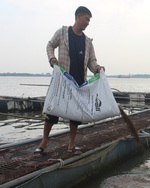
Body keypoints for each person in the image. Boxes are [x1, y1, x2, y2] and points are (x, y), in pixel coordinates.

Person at [34, 6, 104, 157]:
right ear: (78, 16)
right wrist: (52, 58)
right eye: (87, 19)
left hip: (79, 83)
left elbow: (92, 62)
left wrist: (97, 68)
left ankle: (71, 143)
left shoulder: (87, 42)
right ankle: (44, 142)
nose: (88, 23)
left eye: (89, 21)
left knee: (75, 116)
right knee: (52, 112)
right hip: (63, 82)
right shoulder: (63, 32)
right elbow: (49, 45)